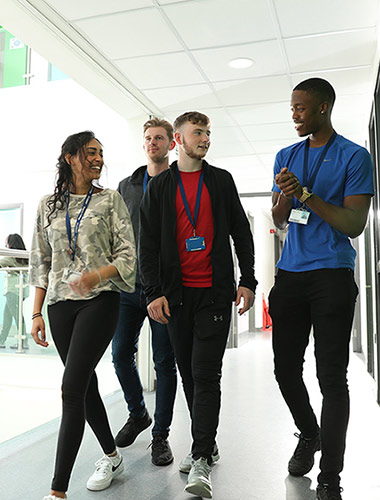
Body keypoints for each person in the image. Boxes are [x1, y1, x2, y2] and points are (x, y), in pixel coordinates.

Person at [139, 111, 257, 498]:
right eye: (198, 132)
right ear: (179, 139)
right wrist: (152, 292)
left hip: (214, 293)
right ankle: (207, 440)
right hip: (175, 296)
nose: (205, 138)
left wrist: (248, 280)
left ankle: (201, 455)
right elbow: (149, 245)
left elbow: (240, 230)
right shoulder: (160, 187)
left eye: (208, 132)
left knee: (206, 374)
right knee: (189, 373)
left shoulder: (220, 181)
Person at [268, 78, 374, 500]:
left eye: (301, 108)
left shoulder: (354, 156)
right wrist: (285, 195)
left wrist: (306, 194)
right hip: (290, 275)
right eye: (292, 107)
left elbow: (354, 224)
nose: (294, 114)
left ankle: (330, 476)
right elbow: (279, 218)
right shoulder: (286, 155)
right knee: (284, 369)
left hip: (331, 273)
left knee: (331, 377)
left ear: (323, 108)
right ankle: (309, 433)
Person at [29, 131, 136, 500]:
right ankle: (111, 455)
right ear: (70, 157)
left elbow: (127, 256)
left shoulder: (110, 200)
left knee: (71, 388)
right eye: (91, 153)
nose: (99, 159)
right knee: (85, 386)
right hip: (59, 305)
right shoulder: (47, 205)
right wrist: (36, 312)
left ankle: (57, 491)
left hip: (100, 301)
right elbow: (41, 261)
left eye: (101, 154)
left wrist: (96, 274)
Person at [112, 117, 177, 466]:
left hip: (164, 290)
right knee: (121, 353)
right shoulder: (127, 185)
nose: (153, 143)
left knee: (165, 362)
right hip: (127, 287)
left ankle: (160, 436)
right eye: (149, 138)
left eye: (159, 138)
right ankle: (138, 413)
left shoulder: (179, 182)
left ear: (172, 143)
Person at [0, 233, 29, 349]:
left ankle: (23, 342)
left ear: (10, 244)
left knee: (17, 316)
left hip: (13, 290)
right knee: (7, 315)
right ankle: (2, 339)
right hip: (22, 291)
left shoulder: (10, 256)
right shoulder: (24, 256)